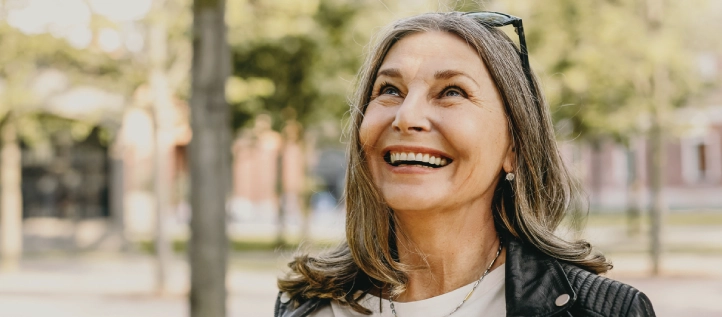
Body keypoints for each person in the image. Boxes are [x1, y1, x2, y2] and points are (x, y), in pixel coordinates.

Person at [275, 11, 656, 317]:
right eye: (390, 90)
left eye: (451, 92)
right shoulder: (305, 306)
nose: (406, 117)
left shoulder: (602, 311)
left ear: (515, 147)